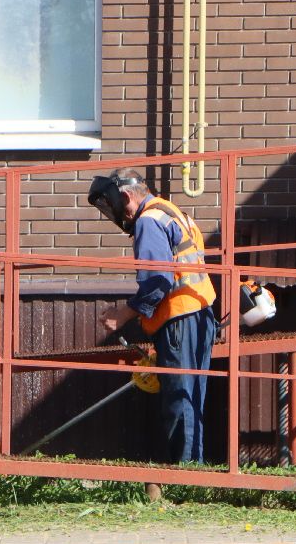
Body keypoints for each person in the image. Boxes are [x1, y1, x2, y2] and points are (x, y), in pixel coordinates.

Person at [89, 170, 217, 464]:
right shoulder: (170, 211)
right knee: (192, 399)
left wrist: (123, 315)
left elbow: (158, 280)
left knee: (179, 401)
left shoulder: (148, 220)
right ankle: (192, 471)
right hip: (199, 313)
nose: (121, 215)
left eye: (116, 206)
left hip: (179, 318)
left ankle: (183, 477)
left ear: (125, 196)